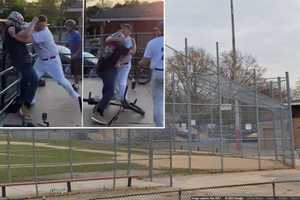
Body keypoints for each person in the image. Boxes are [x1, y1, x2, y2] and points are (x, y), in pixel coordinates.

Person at [31, 15, 81, 112]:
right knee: (33, 79)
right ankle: (31, 99)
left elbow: (28, 38)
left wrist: (28, 27)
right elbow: (28, 27)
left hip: (52, 61)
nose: (41, 26)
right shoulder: (35, 26)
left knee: (61, 81)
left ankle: (75, 95)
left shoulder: (45, 32)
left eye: (43, 24)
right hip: (40, 61)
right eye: (39, 24)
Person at [4, 11, 39, 122]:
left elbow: (29, 39)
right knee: (34, 80)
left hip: (24, 59)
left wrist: (24, 35)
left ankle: (21, 102)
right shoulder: (10, 27)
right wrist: (33, 22)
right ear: (16, 19)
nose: (22, 23)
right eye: (21, 20)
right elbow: (26, 35)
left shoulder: (15, 29)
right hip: (20, 60)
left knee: (25, 81)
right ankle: (26, 105)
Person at [91, 33, 134, 125]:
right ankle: (98, 112)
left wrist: (119, 61)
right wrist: (134, 42)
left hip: (100, 69)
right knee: (110, 91)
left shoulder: (109, 44)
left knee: (107, 87)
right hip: (108, 70)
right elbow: (132, 52)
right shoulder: (121, 46)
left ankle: (101, 104)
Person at [139, 22, 164, 127]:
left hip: (157, 72)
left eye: (157, 30)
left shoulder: (152, 42)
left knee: (158, 101)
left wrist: (139, 63)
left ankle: (159, 125)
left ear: (159, 30)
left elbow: (145, 61)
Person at [106, 24, 136, 102]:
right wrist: (115, 37)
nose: (124, 30)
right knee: (113, 81)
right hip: (115, 64)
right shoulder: (118, 35)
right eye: (123, 28)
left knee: (122, 82)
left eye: (127, 29)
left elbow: (129, 54)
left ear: (130, 31)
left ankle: (124, 99)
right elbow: (107, 39)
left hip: (124, 64)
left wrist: (120, 62)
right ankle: (114, 96)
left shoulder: (129, 40)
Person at [65, 19, 82, 92]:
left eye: (67, 26)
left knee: (77, 72)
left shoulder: (76, 34)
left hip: (77, 56)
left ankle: (77, 85)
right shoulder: (70, 34)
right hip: (72, 55)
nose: (66, 27)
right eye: (66, 26)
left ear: (72, 26)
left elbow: (81, 46)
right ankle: (75, 84)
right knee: (74, 72)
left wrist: (76, 54)